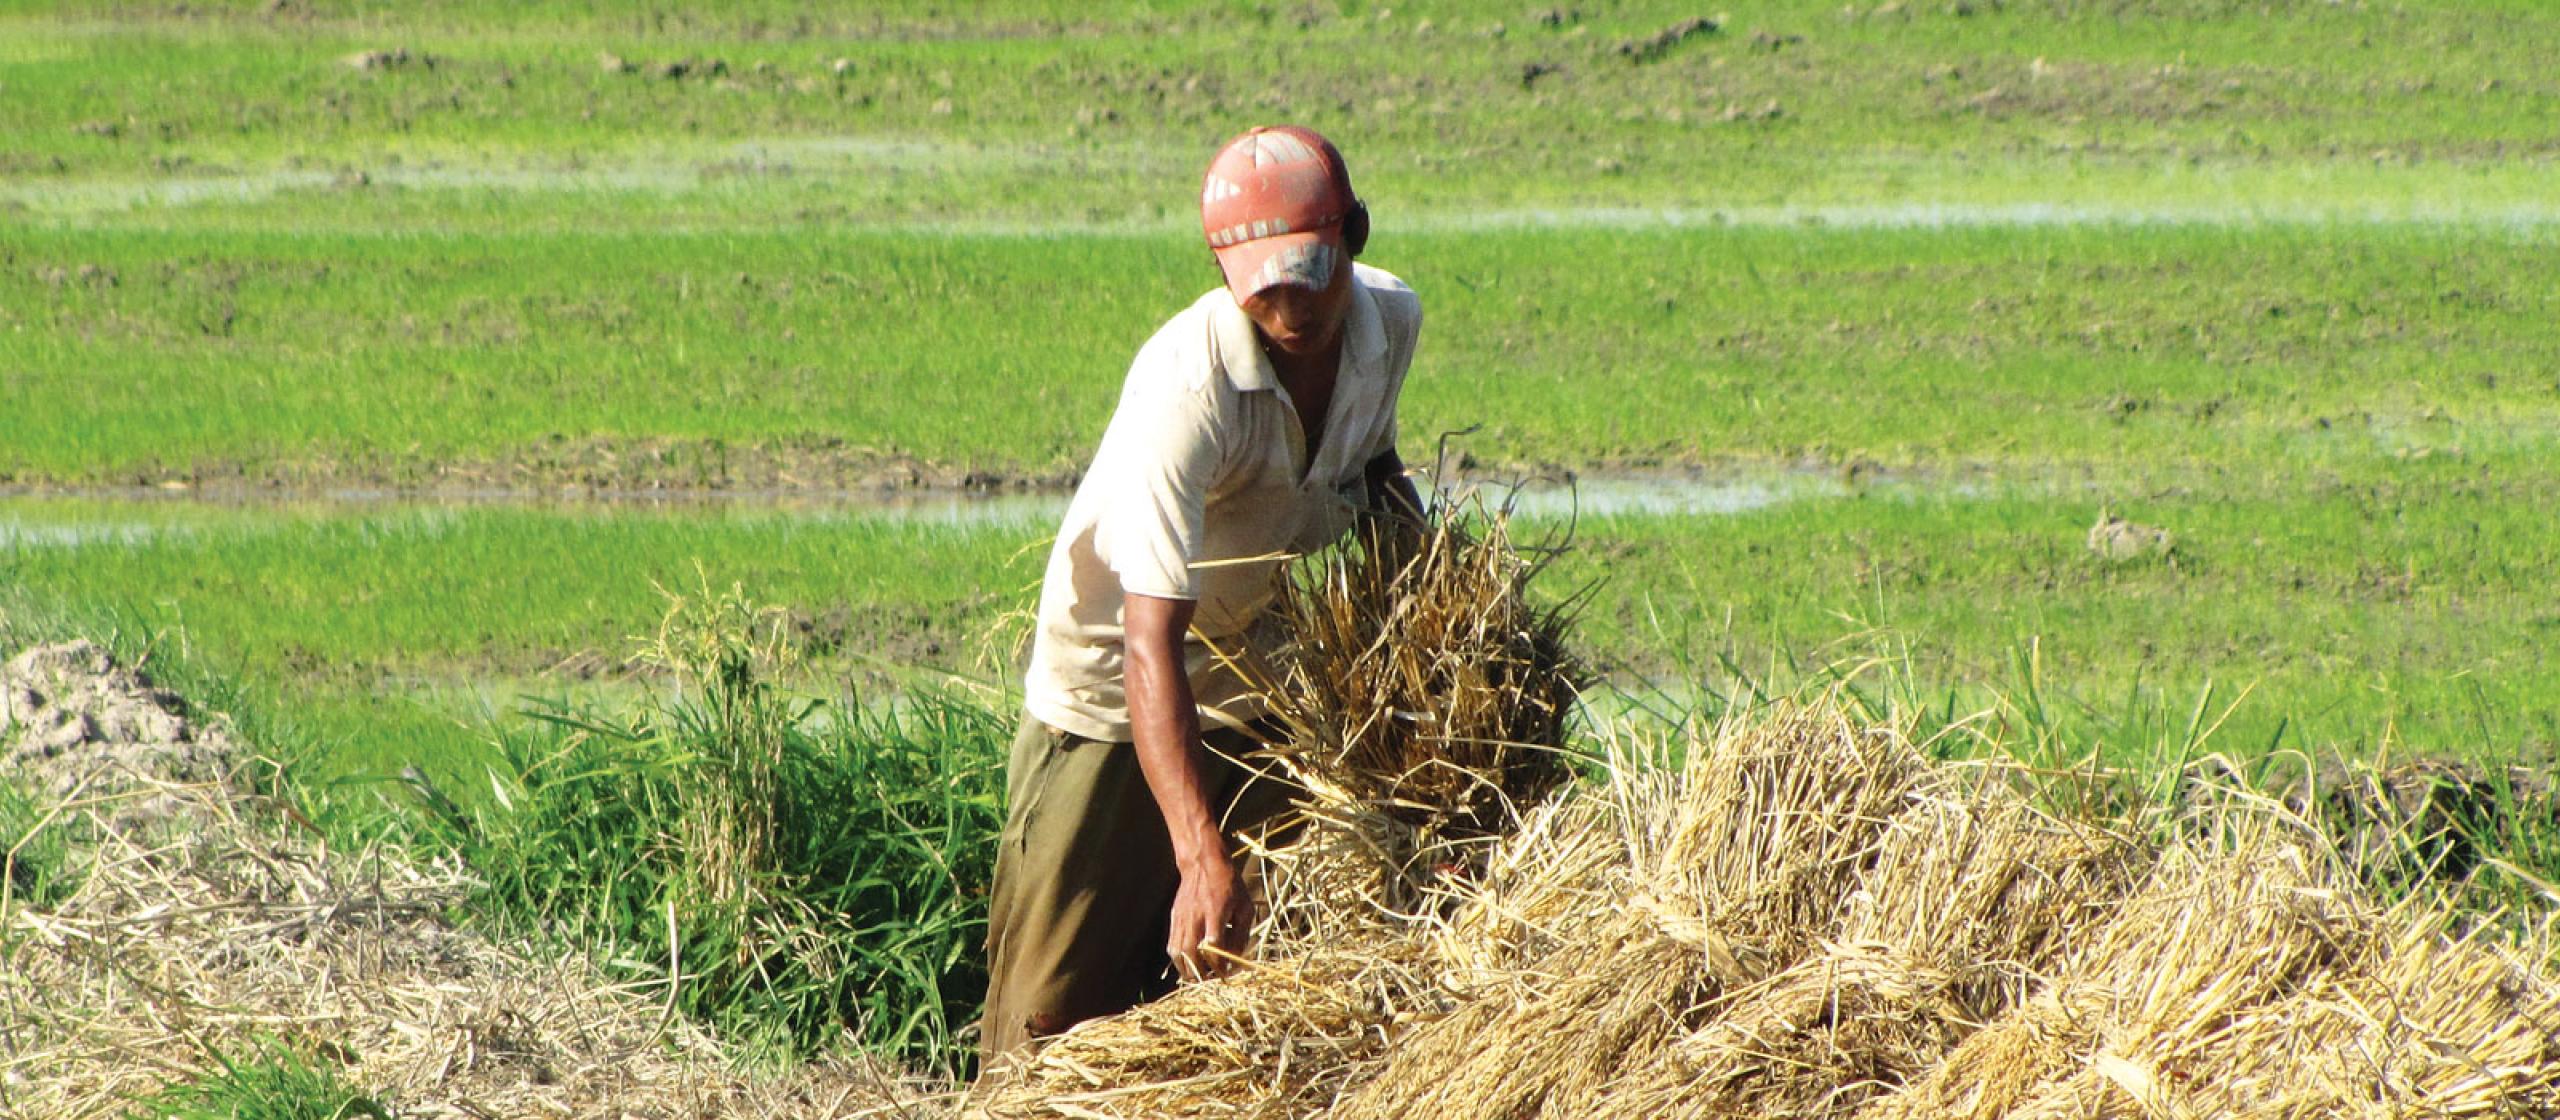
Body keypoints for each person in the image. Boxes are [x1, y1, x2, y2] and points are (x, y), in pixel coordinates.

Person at [979, 124, 1425, 1063]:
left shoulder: (1391, 327)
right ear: (1223, 269)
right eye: (1261, 281)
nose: (1290, 304)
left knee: (1276, 988)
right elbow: (1150, 639)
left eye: (1309, 269)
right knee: (1051, 1026)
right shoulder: (1186, 389)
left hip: (1258, 676)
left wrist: (1434, 610)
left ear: (1356, 235)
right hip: (1112, 695)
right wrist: (1195, 851)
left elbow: (1373, 466)